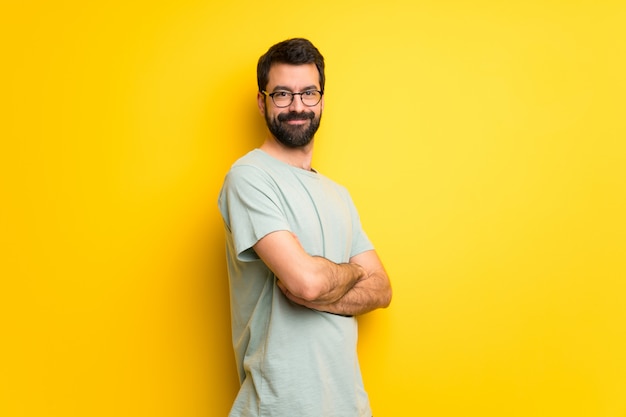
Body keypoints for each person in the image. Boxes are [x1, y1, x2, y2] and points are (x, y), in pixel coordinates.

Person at [218, 38, 392, 417]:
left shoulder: (338, 195)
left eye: (308, 93)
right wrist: (351, 274)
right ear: (262, 101)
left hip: (349, 406)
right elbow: (306, 283)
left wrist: (329, 281)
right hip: (280, 407)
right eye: (283, 94)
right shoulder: (249, 177)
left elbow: (381, 289)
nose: (297, 106)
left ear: (322, 100)